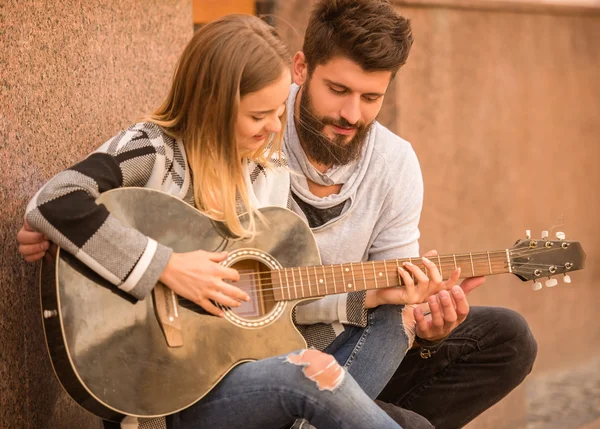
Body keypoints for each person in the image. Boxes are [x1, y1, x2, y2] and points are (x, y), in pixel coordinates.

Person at [19, 1, 538, 428]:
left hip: (254, 351)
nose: (273, 130)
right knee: (328, 383)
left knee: (408, 330)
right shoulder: (157, 151)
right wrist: (155, 261)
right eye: (260, 115)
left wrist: (381, 297)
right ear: (298, 72)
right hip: (176, 376)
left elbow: (265, 297)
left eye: (371, 97)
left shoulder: (261, 173)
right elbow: (56, 200)